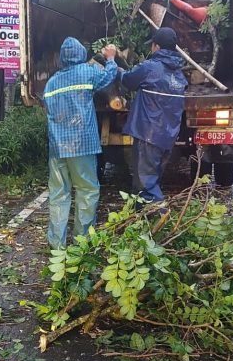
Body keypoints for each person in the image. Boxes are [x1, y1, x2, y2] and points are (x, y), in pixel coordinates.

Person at [43, 37, 118, 249]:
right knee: (87, 191)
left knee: (59, 195)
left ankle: (56, 245)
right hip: (81, 145)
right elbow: (108, 77)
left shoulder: (51, 83)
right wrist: (110, 58)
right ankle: (81, 243)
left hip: (57, 148)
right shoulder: (86, 72)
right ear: (81, 54)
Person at [120, 27, 187, 203]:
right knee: (152, 179)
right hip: (167, 137)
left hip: (148, 135)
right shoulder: (179, 75)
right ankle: (145, 221)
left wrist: (113, 64)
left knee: (146, 186)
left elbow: (127, 80)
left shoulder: (150, 68)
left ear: (155, 46)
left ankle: (158, 215)